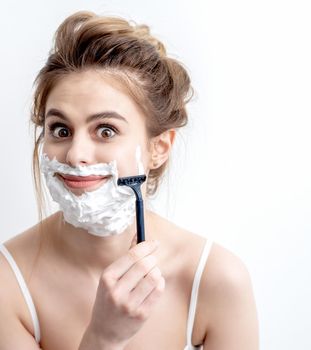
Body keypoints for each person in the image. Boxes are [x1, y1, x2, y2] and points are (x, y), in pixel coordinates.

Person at [0, 11, 259, 350]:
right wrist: (103, 338)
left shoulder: (216, 279)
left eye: (105, 130)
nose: (76, 154)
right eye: (60, 130)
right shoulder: (7, 283)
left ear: (158, 148)